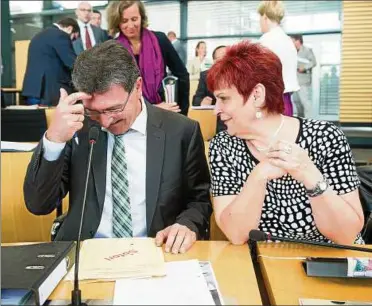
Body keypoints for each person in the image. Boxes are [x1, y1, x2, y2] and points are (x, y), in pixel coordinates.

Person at [23, 40, 212, 254]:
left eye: (114, 109)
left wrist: (187, 225)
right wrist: (54, 139)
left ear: (138, 87)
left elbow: (199, 200)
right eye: (93, 111)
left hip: (156, 250)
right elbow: (39, 204)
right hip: (86, 251)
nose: (104, 122)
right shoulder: (76, 129)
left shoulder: (181, 131)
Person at [207, 41, 364, 245]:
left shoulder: (325, 137)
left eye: (224, 99)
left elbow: (346, 235)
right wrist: (258, 176)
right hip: (265, 267)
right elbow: (236, 235)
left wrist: (308, 173)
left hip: (330, 263)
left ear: (257, 95)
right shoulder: (223, 146)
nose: (215, 110)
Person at [107, 0, 189, 116]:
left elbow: (182, 75)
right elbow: (117, 91)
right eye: (124, 21)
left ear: (142, 17)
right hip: (132, 115)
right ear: (116, 22)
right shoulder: (112, 49)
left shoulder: (160, 39)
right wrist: (151, 109)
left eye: (134, 19)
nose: (130, 25)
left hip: (166, 112)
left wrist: (181, 112)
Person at [22, 18, 80, 106]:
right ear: (70, 29)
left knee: (38, 118)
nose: (72, 41)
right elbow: (72, 63)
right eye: (74, 38)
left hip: (33, 90)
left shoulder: (39, 35)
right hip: (49, 90)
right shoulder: (61, 35)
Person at [257, 0, 299, 116]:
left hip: (273, 100)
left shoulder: (266, 40)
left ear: (265, 17)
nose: (259, 22)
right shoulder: (287, 40)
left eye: (259, 18)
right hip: (286, 100)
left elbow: (259, 72)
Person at [192, 45, 227, 133]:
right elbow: (196, 100)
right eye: (221, 58)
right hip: (219, 119)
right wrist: (202, 101)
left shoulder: (240, 75)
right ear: (214, 61)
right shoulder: (205, 76)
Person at [290, 34, 317, 118]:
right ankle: (301, 123)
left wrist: (304, 67)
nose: (291, 43)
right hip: (294, 82)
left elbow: (313, 62)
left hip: (303, 82)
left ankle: (309, 124)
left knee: (305, 103)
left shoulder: (307, 50)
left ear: (298, 41)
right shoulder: (292, 51)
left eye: (292, 41)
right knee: (297, 103)